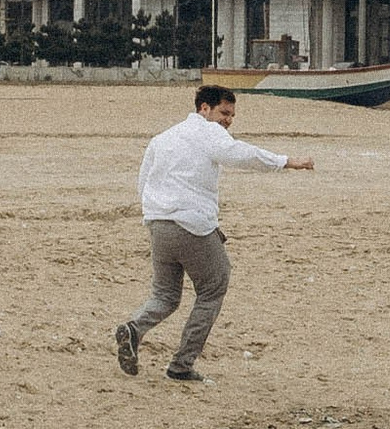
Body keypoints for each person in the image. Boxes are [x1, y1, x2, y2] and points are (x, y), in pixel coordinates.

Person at [117, 82, 314, 381]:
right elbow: (240, 155)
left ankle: (134, 328)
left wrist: (156, 214)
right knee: (213, 287)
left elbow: (143, 183)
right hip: (191, 224)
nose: (228, 120)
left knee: (165, 295)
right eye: (224, 113)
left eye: (232, 115)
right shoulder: (208, 132)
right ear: (204, 108)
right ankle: (181, 365)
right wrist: (285, 162)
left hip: (158, 224)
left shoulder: (162, 138)